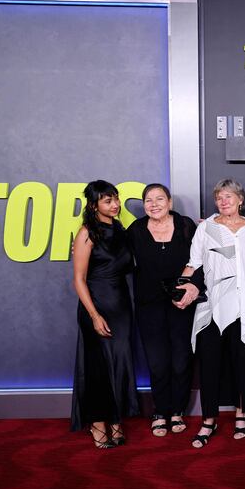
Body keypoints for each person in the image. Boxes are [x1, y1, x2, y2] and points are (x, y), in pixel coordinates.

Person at [176, 179, 245, 448]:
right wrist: (178, 291)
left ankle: (241, 416)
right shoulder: (206, 228)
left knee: (242, 363)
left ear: (240, 200)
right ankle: (208, 420)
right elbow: (193, 264)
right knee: (210, 366)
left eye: (228, 197)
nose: (223, 202)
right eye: (219, 198)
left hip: (243, 306)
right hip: (211, 305)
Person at [70, 180, 139, 448]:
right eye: (108, 200)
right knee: (98, 367)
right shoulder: (87, 233)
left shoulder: (120, 230)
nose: (115, 204)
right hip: (96, 305)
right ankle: (98, 425)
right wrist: (94, 315)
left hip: (121, 306)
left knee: (119, 365)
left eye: (116, 199)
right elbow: (78, 279)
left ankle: (115, 421)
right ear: (93, 205)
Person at [126, 184, 198, 437]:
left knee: (181, 360)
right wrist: (85, 248)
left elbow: (202, 261)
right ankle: (160, 411)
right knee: (157, 363)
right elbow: (116, 256)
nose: (154, 204)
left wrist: (194, 288)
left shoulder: (187, 226)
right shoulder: (135, 231)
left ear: (169, 202)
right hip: (149, 306)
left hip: (182, 304)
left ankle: (177, 411)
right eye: (148, 200)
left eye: (159, 199)